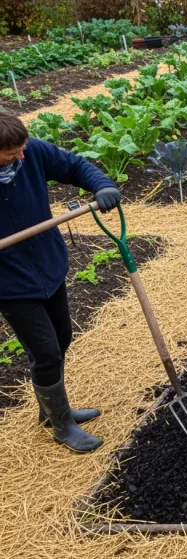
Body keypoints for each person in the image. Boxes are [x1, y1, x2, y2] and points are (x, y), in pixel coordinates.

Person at [0, 109, 121, 453]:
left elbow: (74, 165)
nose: (20, 156)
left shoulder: (31, 151)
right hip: (10, 283)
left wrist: (102, 185)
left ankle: (51, 409)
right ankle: (62, 426)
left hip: (47, 265)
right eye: (11, 154)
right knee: (46, 351)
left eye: (21, 149)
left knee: (62, 337)